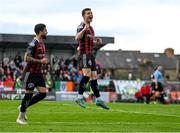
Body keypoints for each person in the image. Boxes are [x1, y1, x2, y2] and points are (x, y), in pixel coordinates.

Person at [75, 8, 109, 109]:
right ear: (83, 16)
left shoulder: (92, 28)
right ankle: (79, 97)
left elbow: (88, 41)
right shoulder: (81, 26)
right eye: (88, 13)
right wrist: (84, 29)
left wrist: (96, 42)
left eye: (91, 13)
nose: (91, 15)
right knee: (87, 75)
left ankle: (98, 100)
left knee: (94, 76)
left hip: (90, 55)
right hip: (84, 54)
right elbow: (77, 38)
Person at [16, 23, 48, 124]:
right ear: (40, 32)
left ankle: (23, 106)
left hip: (38, 73)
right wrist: (40, 61)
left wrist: (43, 62)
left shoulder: (42, 44)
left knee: (43, 94)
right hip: (30, 73)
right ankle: (20, 118)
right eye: (45, 30)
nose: (47, 32)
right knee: (28, 95)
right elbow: (27, 58)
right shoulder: (32, 44)